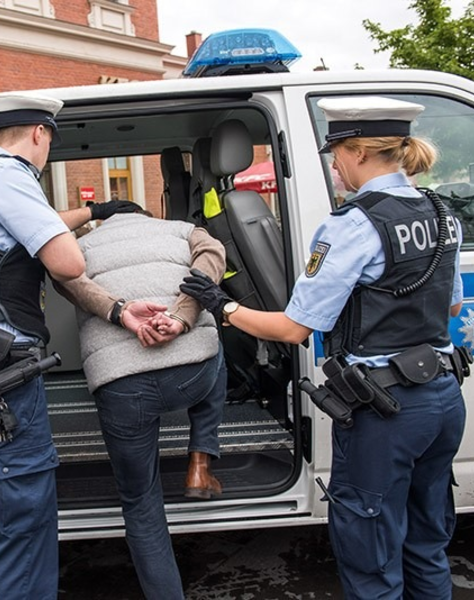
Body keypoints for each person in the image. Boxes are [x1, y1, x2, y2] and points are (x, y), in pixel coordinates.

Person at [178, 96, 466, 600]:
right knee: (426, 542)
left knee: (371, 552)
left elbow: (294, 329)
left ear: (358, 152)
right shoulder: (442, 214)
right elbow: (451, 310)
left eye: (337, 153)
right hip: (442, 400)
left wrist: (220, 306)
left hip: (388, 413)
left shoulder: (353, 225)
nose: (334, 165)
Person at [0, 93, 154, 600]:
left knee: (8, 531)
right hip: (2, 384)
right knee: (27, 534)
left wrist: (96, 210)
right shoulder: (10, 177)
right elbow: (66, 262)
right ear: (40, 133)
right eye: (50, 139)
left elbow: (26, 233)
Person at [59, 210, 227, 600]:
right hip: (191, 374)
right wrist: (183, 317)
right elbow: (213, 256)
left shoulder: (79, 247)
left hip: (121, 385)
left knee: (140, 502)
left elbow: (68, 281)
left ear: (109, 223)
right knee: (217, 349)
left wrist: (117, 311)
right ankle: (201, 460)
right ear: (151, 218)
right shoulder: (182, 230)